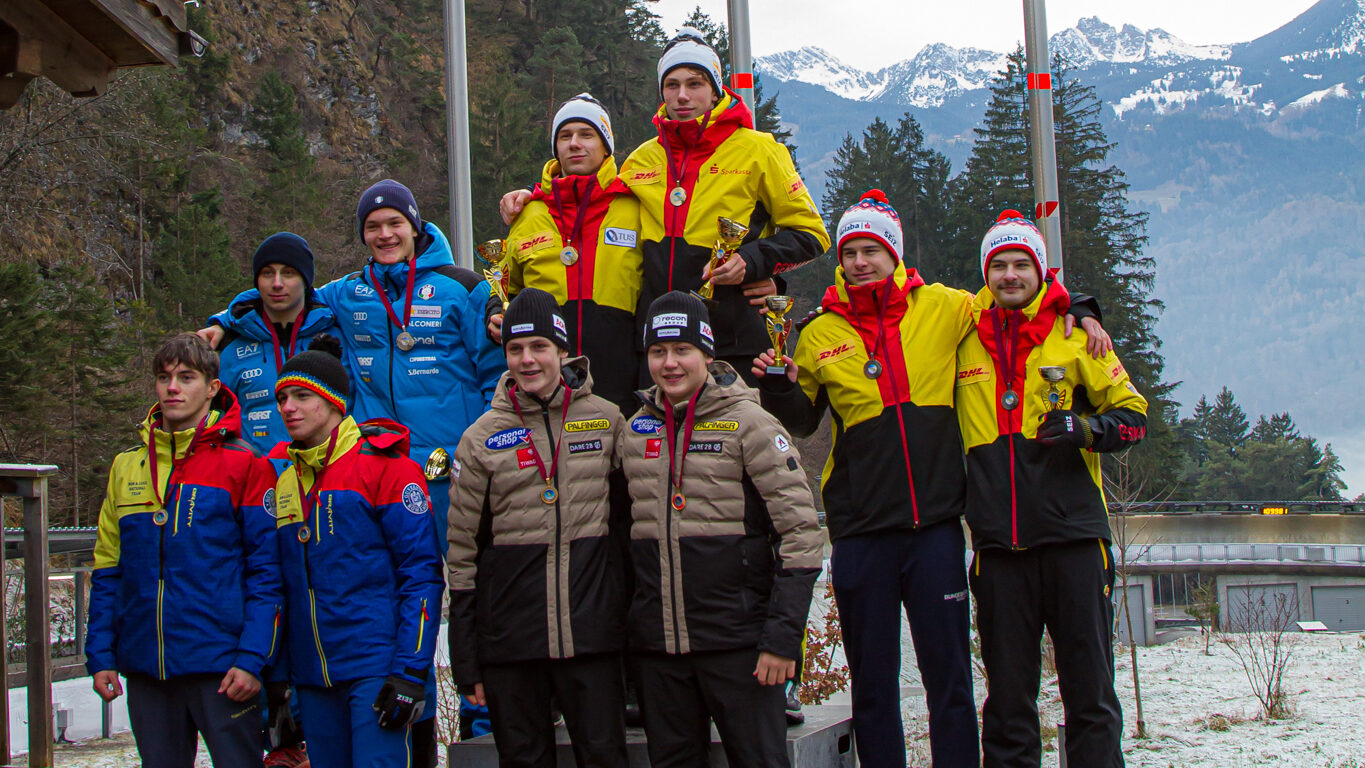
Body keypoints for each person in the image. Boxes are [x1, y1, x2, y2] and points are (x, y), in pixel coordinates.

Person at [754, 190, 1112, 768]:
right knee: (873, 686)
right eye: (850, 253)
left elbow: (1016, 296)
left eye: (872, 250)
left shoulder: (946, 306)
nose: (860, 262)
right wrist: (778, 388)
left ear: (895, 254)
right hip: (862, 530)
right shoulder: (818, 332)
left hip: (937, 529)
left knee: (950, 684)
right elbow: (803, 420)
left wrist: (1081, 306)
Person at [502, 29, 828, 382]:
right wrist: (533, 194)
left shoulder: (760, 150)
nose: (682, 95)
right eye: (672, 85)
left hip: (731, 341)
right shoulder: (641, 159)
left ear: (716, 90)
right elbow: (592, 197)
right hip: (659, 346)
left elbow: (812, 235)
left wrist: (753, 263)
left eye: (695, 83)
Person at [958, 211, 1147, 768]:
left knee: (1090, 695)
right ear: (985, 274)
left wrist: (1086, 430)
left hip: (1074, 544)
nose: (1010, 275)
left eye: (1022, 264)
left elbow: (1135, 418)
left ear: (1041, 271)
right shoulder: (962, 336)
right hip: (1000, 549)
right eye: (998, 265)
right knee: (1007, 705)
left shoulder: (1075, 336)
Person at [202, 179, 504, 523]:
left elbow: (495, 377)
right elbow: (288, 293)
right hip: (377, 465)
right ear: (363, 234)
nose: (385, 235)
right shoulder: (346, 292)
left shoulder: (464, 287)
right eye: (373, 226)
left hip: (453, 465)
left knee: (460, 555)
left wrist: (479, 450)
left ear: (414, 226)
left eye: (395, 223)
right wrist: (225, 321)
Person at [621, 291, 823, 767]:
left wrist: (782, 640)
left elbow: (801, 534)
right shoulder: (634, 431)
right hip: (660, 650)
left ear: (707, 354)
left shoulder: (751, 423)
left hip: (741, 647)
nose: (670, 363)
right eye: (658, 351)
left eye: (682, 350)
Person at [449, 288, 629, 767]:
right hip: (512, 642)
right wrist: (466, 657)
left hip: (592, 637)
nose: (527, 360)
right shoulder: (480, 438)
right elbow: (462, 553)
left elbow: (630, 525)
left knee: (605, 757)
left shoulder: (607, 421)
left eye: (539, 347)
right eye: (515, 349)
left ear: (562, 350)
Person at [85, 333, 282, 768]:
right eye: (164, 377)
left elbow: (267, 572)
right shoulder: (126, 466)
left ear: (212, 388)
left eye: (186, 377)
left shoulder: (246, 463)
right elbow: (108, 570)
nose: (172, 387)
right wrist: (100, 654)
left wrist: (253, 658)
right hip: (147, 668)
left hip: (223, 669)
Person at [270, 334, 446, 768]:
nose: (288, 408)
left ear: (334, 402)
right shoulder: (285, 480)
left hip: (377, 668)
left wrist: (410, 672)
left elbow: (421, 575)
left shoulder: (387, 467)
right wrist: (280, 682)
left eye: (302, 396)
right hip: (313, 676)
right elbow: (280, 587)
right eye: (282, 398)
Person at [486, 94, 643, 415]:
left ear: (606, 146)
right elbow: (503, 285)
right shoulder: (528, 213)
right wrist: (495, 314)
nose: (574, 144)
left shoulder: (635, 206)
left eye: (587, 134)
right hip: (545, 379)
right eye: (564, 136)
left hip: (621, 377)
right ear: (555, 148)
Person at [216, 232, 337, 455]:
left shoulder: (336, 334)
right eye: (267, 273)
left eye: (288, 273)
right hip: (256, 473)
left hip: (329, 471)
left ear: (305, 280)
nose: (277, 284)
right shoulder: (230, 346)